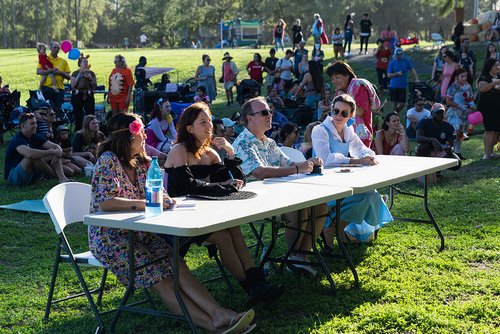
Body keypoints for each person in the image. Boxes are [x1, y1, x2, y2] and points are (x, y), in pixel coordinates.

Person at [89, 112, 256, 333]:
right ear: (128, 137)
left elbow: (158, 192)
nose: (146, 138)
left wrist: (165, 200)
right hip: (112, 240)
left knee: (178, 266)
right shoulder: (108, 161)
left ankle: (218, 313)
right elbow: (106, 202)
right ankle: (212, 324)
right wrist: (146, 203)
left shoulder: (143, 163)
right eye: (141, 134)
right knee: (163, 279)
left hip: (143, 233)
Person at [164, 103, 284, 304]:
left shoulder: (210, 153)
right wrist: (223, 187)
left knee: (234, 229)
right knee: (223, 236)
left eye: (210, 121)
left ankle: (257, 283)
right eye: (203, 122)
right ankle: (253, 287)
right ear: (189, 128)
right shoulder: (179, 150)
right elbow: (188, 186)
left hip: (204, 211)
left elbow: (237, 181)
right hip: (180, 218)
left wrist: (230, 154)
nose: (209, 125)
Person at [233, 97, 327, 276]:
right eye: (264, 112)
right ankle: (293, 257)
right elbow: (260, 172)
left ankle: (300, 257)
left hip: (279, 195)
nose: (270, 115)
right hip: (255, 200)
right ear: (250, 118)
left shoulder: (269, 142)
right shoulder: (243, 143)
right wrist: (297, 168)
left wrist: (310, 162)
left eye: (269, 111)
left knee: (320, 206)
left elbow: (289, 163)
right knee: (298, 209)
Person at [311, 94, 393, 244]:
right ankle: (331, 227)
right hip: (321, 184)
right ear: (331, 110)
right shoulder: (320, 130)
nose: (338, 116)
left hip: (339, 181)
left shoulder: (348, 131)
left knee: (370, 195)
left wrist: (369, 157)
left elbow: (363, 149)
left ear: (350, 115)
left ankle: (337, 227)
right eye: (336, 111)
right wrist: (357, 160)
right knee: (364, 196)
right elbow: (326, 159)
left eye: (344, 113)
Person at [4, 112, 71, 185]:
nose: (35, 126)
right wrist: (51, 152)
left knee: (54, 153)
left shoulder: (35, 136)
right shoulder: (17, 139)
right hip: (14, 178)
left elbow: (56, 146)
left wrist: (57, 152)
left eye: (36, 123)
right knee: (33, 157)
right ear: (22, 126)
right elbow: (29, 154)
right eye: (32, 124)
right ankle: (56, 176)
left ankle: (62, 178)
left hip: (30, 175)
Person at [327, 61, 381, 148]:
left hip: (360, 136)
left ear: (347, 75)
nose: (334, 81)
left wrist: (344, 97)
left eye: (337, 77)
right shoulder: (339, 92)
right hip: (343, 136)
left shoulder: (358, 86)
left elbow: (359, 112)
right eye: (332, 78)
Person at [445, 68, 475, 160]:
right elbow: (448, 101)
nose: (464, 78)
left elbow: (470, 98)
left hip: (464, 113)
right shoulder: (453, 87)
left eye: (465, 76)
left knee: (461, 133)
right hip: (455, 113)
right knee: (456, 132)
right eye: (462, 76)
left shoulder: (468, 86)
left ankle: (458, 152)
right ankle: (451, 152)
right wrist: (459, 106)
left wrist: (471, 104)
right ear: (456, 77)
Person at [36, 41, 71, 113]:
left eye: (58, 48)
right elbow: (38, 71)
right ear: (50, 48)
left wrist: (60, 72)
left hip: (59, 89)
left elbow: (68, 77)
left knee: (58, 110)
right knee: (46, 110)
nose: (56, 49)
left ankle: (58, 123)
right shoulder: (45, 58)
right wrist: (50, 71)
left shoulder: (63, 61)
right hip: (46, 88)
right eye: (54, 47)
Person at [476, 58, 500, 160]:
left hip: (497, 107)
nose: (498, 67)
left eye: (499, 65)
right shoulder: (484, 77)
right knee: (490, 130)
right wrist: (495, 83)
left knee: (495, 130)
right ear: (489, 67)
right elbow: (482, 89)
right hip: (487, 108)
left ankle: (491, 152)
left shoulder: (498, 76)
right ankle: (486, 153)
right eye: (495, 65)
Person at [387, 47, 420, 113]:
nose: (399, 57)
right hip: (394, 85)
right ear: (395, 55)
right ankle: (394, 115)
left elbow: (412, 69)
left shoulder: (406, 60)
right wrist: (397, 74)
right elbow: (389, 75)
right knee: (394, 103)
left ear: (402, 54)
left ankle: (394, 113)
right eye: (397, 55)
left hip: (403, 85)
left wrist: (416, 79)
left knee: (402, 103)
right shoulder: (392, 62)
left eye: (400, 55)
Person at [71, 55, 97, 131]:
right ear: (80, 63)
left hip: (88, 95)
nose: (86, 63)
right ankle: (78, 131)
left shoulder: (91, 73)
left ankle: (91, 131)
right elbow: (72, 85)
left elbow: (95, 86)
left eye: (87, 62)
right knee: (78, 115)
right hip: (77, 95)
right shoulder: (75, 73)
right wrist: (79, 76)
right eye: (84, 62)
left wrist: (90, 78)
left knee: (90, 114)